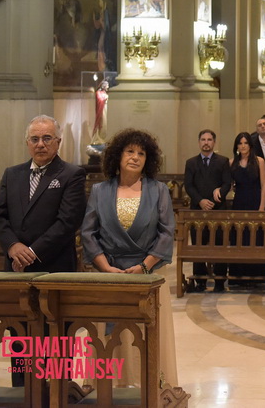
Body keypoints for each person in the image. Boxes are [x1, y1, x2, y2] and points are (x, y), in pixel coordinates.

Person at [81, 128, 178, 387]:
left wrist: (144, 267)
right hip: (108, 276)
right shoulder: (100, 191)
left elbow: (167, 233)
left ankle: (147, 386)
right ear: (118, 155)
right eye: (130, 151)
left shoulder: (159, 191)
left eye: (141, 153)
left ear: (149, 159)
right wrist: (105, 268)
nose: (135, 157)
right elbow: (88, 233)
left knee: (144, 335)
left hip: (148, 276)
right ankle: (105, 388)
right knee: (108, 338)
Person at [0, 115, 87, 273]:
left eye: (47, 138)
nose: (40, 144)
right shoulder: (12, 174)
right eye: (34, 139)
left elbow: (68, 221)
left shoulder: (72, 175)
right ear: (27, 143)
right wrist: (12, 245)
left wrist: (33, 252)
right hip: (15, 263)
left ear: (58, 142)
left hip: (54, 263)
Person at [183, 129, 232, 292]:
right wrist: (201, 201)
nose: (206, 142)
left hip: (218, 209)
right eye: (203, 139)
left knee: (220, 244)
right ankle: (200, 280)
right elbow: (189, 185)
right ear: (199, 142)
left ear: (214, 142)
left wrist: (214, 199)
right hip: (197, 210)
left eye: (209, 139)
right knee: (198, 245)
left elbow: (227, 183)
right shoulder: (191, 163)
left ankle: (219, 280)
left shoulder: (223, 161)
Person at [230, 132, 265, 282]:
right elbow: (230, 184)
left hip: (255, 201)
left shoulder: (259, 161)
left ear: (250, 145)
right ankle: (238, 276)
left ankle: (257, 276)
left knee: (255, 238)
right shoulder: (232, 162)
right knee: (239, 237)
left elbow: (264, 185)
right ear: (237, 146)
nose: (243, 146)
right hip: (239, 202)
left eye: (245, 143)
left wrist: (262, 208)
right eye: (240, 143)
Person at [91, 80, 110, 145]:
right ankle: (100, 138)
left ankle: (104, 138)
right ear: (103, 86)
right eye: (107, 85)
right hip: (102, 110)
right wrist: (105, 98)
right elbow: (100, 99)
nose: (108, 87)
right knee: (102, 123)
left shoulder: (105, 92)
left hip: (106, 109)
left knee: (105, 124)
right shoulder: (98, 92)